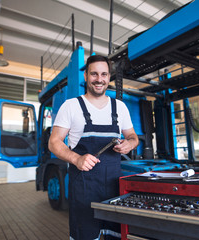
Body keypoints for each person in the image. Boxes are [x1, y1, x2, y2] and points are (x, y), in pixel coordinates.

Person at [48, 55, 139, 240]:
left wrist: (129, 143)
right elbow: (54, 142)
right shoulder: (71, 106)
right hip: (84, 190)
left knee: (116, 235)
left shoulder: (119, 107)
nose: (99, 79)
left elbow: (133, 136)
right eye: (94, 74)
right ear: (86, 76)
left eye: (104, 74)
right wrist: (76, 158)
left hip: (114, 188)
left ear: (109, 77)